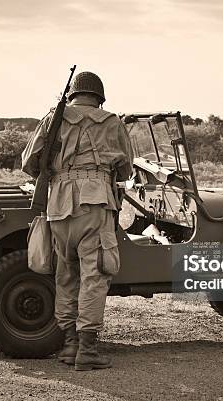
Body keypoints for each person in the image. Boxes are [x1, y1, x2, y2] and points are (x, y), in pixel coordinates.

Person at [22, 71, 134, 371]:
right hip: (95, 204)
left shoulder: (52, 119)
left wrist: (59, 172)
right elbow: (126, 171)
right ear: (99, 96)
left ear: (71, 95)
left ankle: (70, 345)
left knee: (66, 276)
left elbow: (29, 163)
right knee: (95, 275)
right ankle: (87, 349)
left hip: (58, 206)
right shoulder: (111, 121)